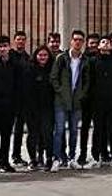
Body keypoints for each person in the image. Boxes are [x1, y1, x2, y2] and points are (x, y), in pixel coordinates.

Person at [49, 30, 89, 172]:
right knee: (59, 130)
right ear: (71, 41)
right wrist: (60, 91)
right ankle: (57, 158)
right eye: (75, 39)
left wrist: (81, 94)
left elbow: (86, 81)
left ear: (83, 43)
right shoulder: (62, 58)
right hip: (61, 101)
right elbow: (53, 78)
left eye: (80, 40)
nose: (78, 42)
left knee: (73, 131)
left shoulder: (84, 60)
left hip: (76, 101)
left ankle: (72, 158)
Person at [87, 35, 112, 169]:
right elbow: (90, 81)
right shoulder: (92, 61)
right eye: (102, 42)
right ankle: (96, 157)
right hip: (98, 100)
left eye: (108, 42)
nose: (105, 44)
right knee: (98, 129)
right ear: (98, 46)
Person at [0, 35, 19, 173]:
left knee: (6, 135)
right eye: (0, 46)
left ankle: (4, 160)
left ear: (9, 47)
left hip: (10, 104)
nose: (3, 49)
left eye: (5, 46)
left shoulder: (14, 62)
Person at [25, 46, 55, 171]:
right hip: (32, 108)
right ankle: (33, 159)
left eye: (45, 55)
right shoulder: (30, 70)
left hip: (47, 108)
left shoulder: (52, 69)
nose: (42, 57)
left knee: (47, 134)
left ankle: (48, 158)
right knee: (33, 135)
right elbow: (26, 90)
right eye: (40, 55)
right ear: (36, 56)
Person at [77, 33, 101, 167]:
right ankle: (82, 153)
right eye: (91, 43)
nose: (94, 46)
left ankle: (96, 153)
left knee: (98, 128)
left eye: (96, 43)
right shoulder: (83, 58)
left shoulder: (100, 58)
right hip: (86, 98)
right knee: (84, 127)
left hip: (98, 98)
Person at [10, 31, 31, 167]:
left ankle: (16, 155)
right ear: (14, 40)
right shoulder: (10, 56)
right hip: (11, 98)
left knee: (19, 129)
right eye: (19, 39)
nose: (21, 42)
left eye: (23, 39)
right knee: (6, 130)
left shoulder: (27, 57)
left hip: (24, 99)